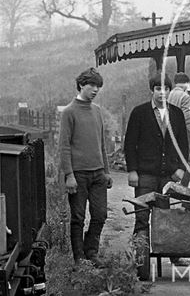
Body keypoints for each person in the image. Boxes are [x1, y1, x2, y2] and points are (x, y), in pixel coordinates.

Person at [124, 72, 190, 267]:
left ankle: (174, 256)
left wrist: (181, 168)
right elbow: (130, 144)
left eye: (166, 89)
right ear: (152, 90)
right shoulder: (139, 113)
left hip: (169, 176)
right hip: (145, 175)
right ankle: (140, 260)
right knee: (141, 216)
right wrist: (132, 171)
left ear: (170, 91)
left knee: (170, 216)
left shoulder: (177, 114)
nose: (162, 93)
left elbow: (183, 144)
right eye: (158, 89)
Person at [59, 68, 112, 266]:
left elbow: (102, 144)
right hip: (78, 175)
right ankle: (79, 258)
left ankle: (92, 252)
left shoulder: (97, 111)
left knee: (100, 215)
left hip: (98, 173)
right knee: (78, 218)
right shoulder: (69, 112)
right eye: (92, 85)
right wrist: (69, 175)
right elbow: (63, 146)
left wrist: (106, 171)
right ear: (82, 85)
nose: (96, 90)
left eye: (98, 86)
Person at [167, 72, 190, 162]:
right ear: (185, 83)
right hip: (182, 131)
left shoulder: (169, 94)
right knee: (188, 157)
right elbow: (186, 118)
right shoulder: (185, 96)